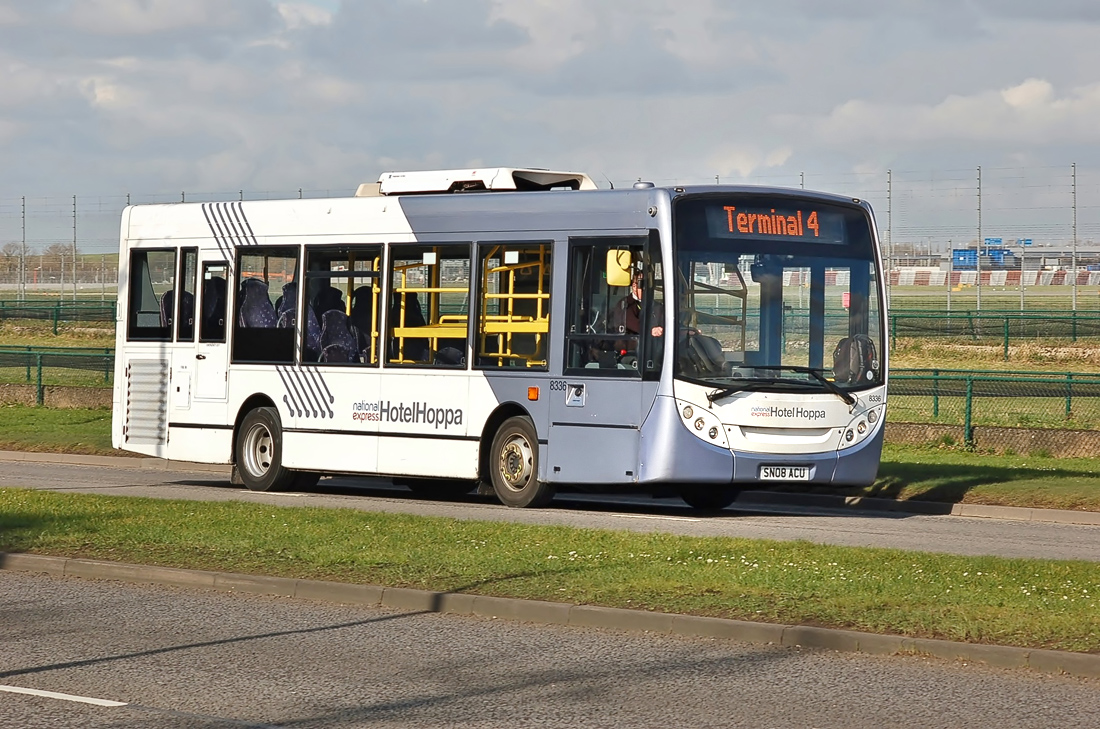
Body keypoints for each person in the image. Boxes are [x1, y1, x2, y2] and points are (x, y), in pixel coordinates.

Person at [609, 270, 663, 338]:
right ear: (634, 286)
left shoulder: (656, 305)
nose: (647, 290)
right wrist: (651, 330)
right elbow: (632, 324)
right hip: (633, 345)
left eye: (650, 286)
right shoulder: (625, 305)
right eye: (644, 286)